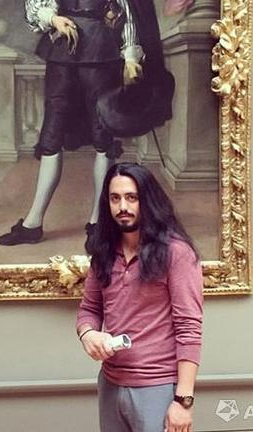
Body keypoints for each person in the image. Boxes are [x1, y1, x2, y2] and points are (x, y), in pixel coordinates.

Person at [0, 0, 172, 247]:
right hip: (63, 53)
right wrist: (53, 18)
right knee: (51, 135)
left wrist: (130, 55)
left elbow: (129, 10)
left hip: (102, 54)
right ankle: (33, 223)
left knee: (102, 137)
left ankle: (97, 224)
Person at [76, 162, 203, 432]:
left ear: (147, 201)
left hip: (157, 386)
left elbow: (189, 328)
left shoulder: (177, 253)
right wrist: (88, 334)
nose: (123, 206)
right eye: (115, 198)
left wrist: (183, 401)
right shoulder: (103, 251)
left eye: (131, 197)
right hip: (110, 383)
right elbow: (89, 309)